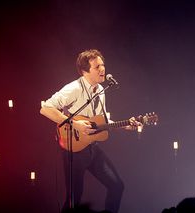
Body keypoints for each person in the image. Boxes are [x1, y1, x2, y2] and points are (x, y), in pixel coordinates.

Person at [40, 49, 141, 213]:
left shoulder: (101, 91)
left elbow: (101, 123)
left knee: (117, 186)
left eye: (103, 65)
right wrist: (76, 124)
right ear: (85, 71)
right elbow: (45, 109)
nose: (103, 69)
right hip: (73, 149)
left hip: (92, 148)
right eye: (97, 67)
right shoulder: (73, 88)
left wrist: (125, 125)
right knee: (74, 199)